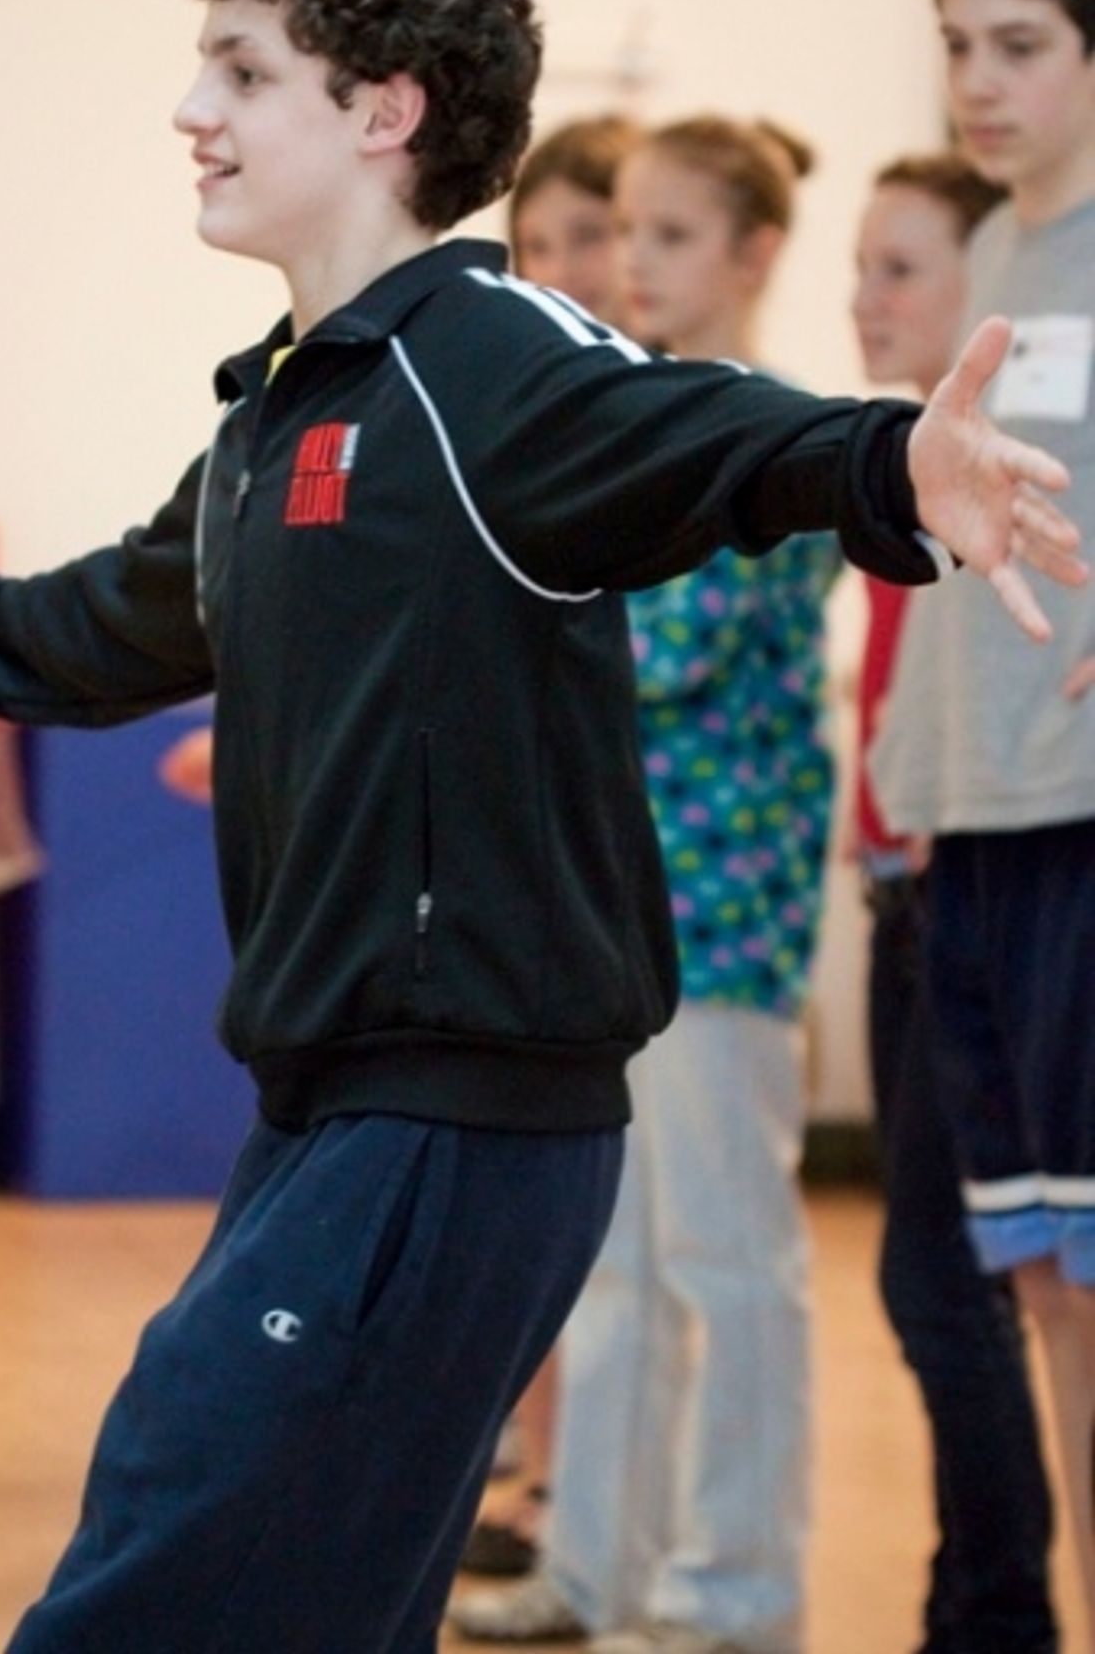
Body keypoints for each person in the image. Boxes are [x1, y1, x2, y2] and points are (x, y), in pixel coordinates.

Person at [0, 0, 1082, 1654]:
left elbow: (707, 435)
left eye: (242, 71)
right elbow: (134, 605)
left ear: (383, 109)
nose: (193, 112)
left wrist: (896, 466)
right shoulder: (288, 407)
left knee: (161, 1551)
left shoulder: (491, 364)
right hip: (336, 1103)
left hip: (460, 1114)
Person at [452, 115, 842, 1654]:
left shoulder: (777, 433)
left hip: (726, 919)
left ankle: (735, 1591)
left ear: (752, 253)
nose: (632, 263)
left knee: (728, 1266)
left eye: (671, 235)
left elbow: (651, 655)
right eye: (628, 230)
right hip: (609, 905)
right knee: (605, 1262)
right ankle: (597, 1568)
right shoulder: (641, 420)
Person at [870, 0, 1095, 1648]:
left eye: (1018, 45)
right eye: (957, 43)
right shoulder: (1000, 256)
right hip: (970, 826)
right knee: (1038, 1282)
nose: (977, 81)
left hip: (1081, 822)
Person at [854, 153, 1058, 1654]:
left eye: (904, 269)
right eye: (863, 267)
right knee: (951, 1281)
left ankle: (991, 1614)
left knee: (963, 1282)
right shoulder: (890, 472)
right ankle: (975, 1605)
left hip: (975, 887)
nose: (873, 300)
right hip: (910, 892)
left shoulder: (1020, 477)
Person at [459, 110, 643, 1584]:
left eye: (604, 234)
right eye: (547, 242)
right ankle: (549, 1489)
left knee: (670, 1272)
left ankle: (633, 1541)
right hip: (557, 906)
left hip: (673, 919)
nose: (576, 266)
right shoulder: (511, 422)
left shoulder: (654, 428)